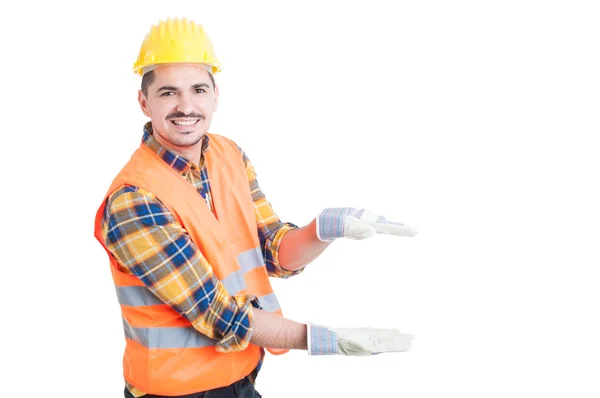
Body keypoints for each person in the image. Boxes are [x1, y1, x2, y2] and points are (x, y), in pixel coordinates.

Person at [93, 17, 417, 398]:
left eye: (198, 89)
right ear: (143, 101)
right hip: (173, 393)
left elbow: (274, 252)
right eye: (168, 92)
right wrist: (322, 339)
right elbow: (216, 313)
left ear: (215, 95)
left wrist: (324, 229)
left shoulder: (229, 156)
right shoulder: (136, 197)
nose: (186, 106)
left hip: (240, 378)